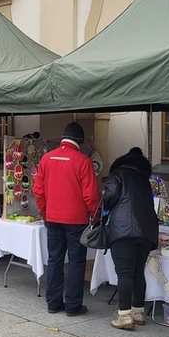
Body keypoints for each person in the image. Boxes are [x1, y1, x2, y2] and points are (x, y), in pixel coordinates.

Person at [33, 122, 100, 317]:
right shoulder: (83, 161)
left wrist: (45, 212)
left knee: (54, 259)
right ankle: (73, 305)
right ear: (80, 141)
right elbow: (91, 195)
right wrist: (95, 215)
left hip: (52, 218)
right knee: (77, 262)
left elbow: (38, 191)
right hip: (77, 220)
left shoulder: (46, 159)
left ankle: (53, 303)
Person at [102, 147, 159, 331]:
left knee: (124, 273)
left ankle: (124, 315)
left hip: (123, 230)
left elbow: (109, 197)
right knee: (137, 272)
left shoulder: (118, 175)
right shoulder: (144, 180)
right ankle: (138, 312)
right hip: (146, 231)